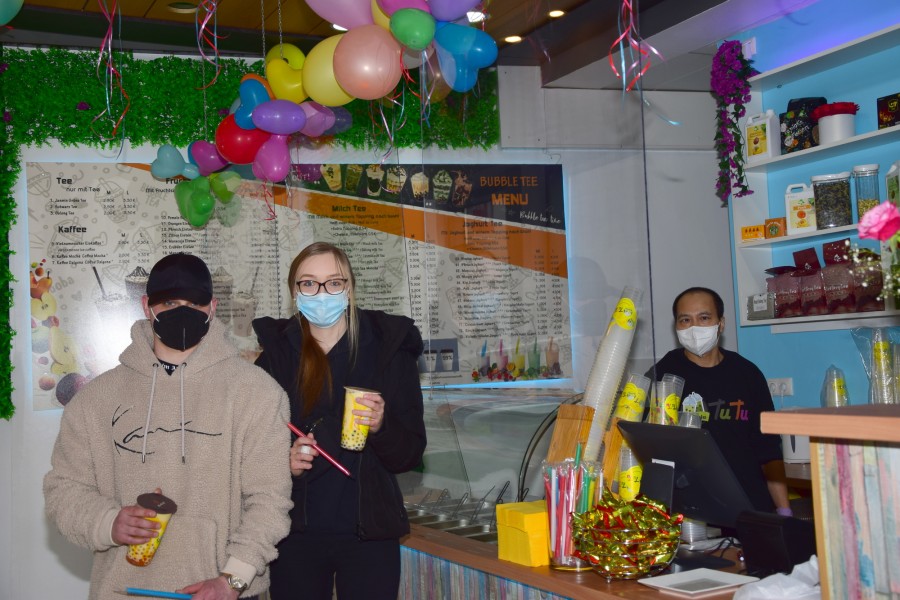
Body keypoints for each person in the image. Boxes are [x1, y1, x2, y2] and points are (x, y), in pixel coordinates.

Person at [44, 253, 293, 600]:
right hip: (123, 589)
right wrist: (107, 522)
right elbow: (63, 490)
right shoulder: (95, 400)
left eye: (194, 302)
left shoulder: (257, 393)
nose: (182, 311)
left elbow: (269, 500)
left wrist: (233, 579)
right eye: (170, 302)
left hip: (226, 592)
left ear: (212, 307)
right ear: (147, 305)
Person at [252, 241, 426, 600]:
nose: (321, 293)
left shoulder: (389, 351)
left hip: (369, 537)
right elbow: (249, 453)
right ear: (294, 292)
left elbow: (409, 456)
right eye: (309, 283)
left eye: (333, 282)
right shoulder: (276, 358)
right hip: (293, 534)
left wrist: (382, 425)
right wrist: (284, 462)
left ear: (349, 289)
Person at [649, 286, 791, 516]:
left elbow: (769, 450)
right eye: (685, 320)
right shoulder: (664, 376)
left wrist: (784, 510)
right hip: (689, 512)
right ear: (676, 326)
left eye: (704, 318)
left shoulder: (746, 373)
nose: (694, 327)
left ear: (721, 324)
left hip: (748, 506)